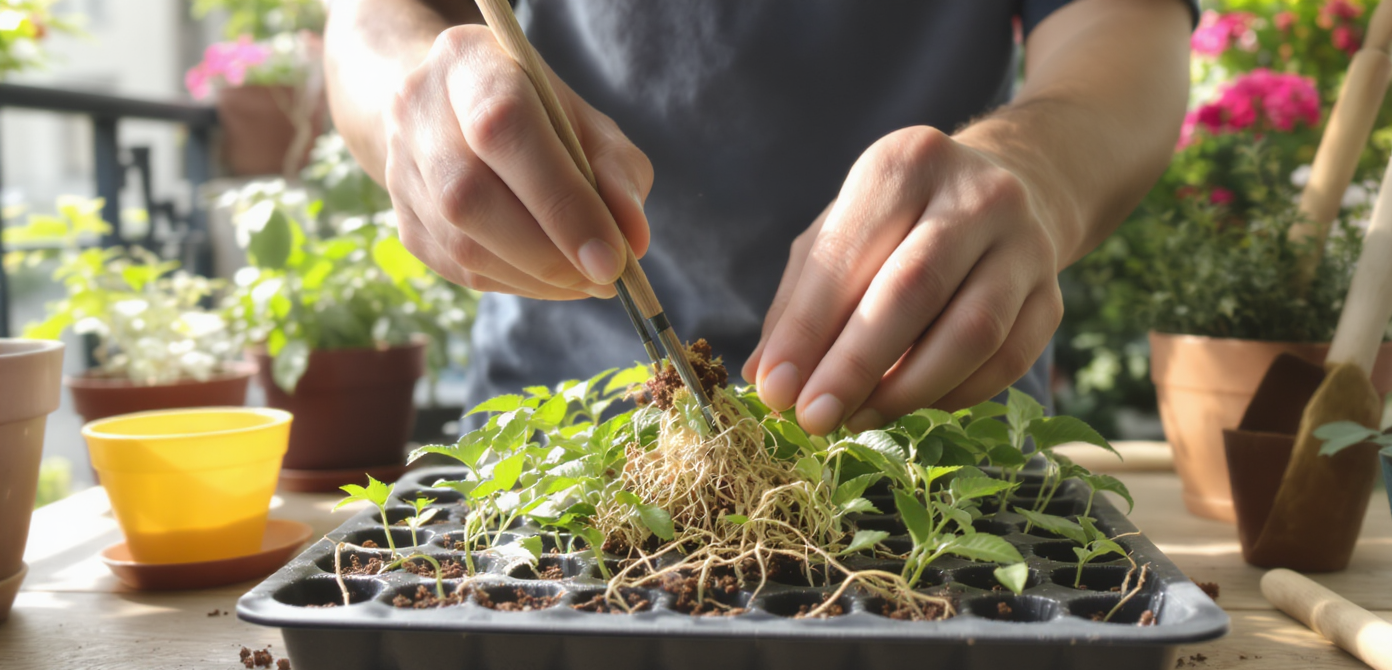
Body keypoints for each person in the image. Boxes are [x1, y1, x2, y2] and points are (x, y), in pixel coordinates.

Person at [323, 0, 1194, 435]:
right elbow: (373, 19)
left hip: (931, 404)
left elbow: (1122, 30)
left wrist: (1034, 171)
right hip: (560, 406)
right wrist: (417, 96)